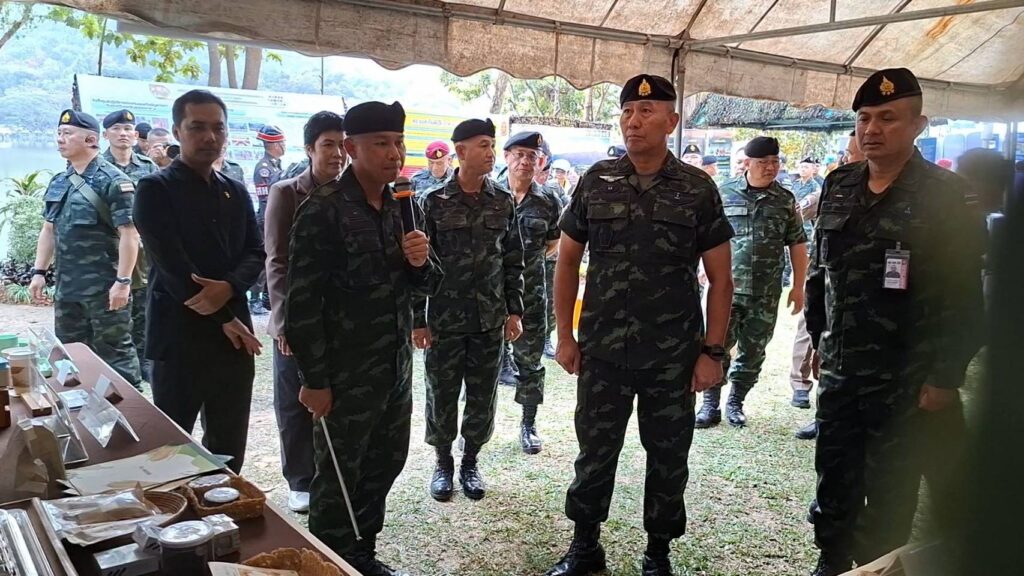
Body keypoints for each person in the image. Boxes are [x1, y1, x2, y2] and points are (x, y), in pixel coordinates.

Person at [545, 74, 734, 576]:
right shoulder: (597, 180)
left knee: (668, 456)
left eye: (647, 111)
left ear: (672, 121)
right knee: (594, 451)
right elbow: (567, 262)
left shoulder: (697, 189)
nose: (634, 120)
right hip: (603, 351)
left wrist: (712, 352)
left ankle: (658, 553)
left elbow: (721, 280)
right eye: (627, 111)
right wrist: (565, 335)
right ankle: (585, 548)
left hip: (672, 356)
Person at [805, 68, 985, 576]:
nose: (872, 129)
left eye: (887, 118)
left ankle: (878, 568)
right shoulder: (839, 184)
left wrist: (944, 376)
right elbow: (821, 274)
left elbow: (965, 296)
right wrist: (819, 339)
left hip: (907, 379)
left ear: (918, 125)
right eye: (864, 118)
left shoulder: (946, 194)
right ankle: (831, 561)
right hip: (842, 370)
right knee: (834, 476)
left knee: (891, 490)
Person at [286, 101, 442, 576]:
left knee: (385, 463)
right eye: (381, 143)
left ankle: (361, 555)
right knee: (337, 476)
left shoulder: (404, 204)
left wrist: (421, 261)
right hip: (344, 374)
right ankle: (328, 564)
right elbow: (303, 302)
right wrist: (315, 380)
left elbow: (429, 283)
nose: (394, 153)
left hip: (393, 369)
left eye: (398, 143)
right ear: (351, 148)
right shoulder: (324, 208)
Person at [133, 90, 265, 474]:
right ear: (177, 131)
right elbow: (173, 267)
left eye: (218, 128)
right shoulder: (155, 189)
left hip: (234, 341)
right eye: (197, 127)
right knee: (170, 452)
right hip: (180, 338)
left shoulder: (234, 190)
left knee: (228, 450)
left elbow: (256, 252)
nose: (209, 137)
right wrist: (225, 316)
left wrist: (229, 288)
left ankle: (228, 508)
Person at [413, 117, 525, 502]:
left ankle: (471, 461)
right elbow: (417, 267)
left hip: (489, 318)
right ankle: (443, 462)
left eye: (492, 145)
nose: (491, 153)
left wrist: (514, 311)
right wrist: (418, 320)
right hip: (445, 319)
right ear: (460, 151)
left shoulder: (503, 200)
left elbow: (513, 260)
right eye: (483, 145)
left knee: (482, 395)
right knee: (441, 392)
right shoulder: (433, 201)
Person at [694, 137, 807, 429]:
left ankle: (736, 402)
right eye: (763, 162)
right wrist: (702, 268)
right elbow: (705, 236)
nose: (770, 168)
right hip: (726, 289)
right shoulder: (724, 192)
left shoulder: (785, 200)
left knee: (753, 351)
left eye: (775, 162)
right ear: (748, 163)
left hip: (766, 292)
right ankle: (710, 404)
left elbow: (797, 243)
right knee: (716, 346)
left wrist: (798, 286)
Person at [265, 111, 346, 514]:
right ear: (309, 148)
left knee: (337, 398)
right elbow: (277, 261)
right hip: (296, 319)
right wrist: (284, 322)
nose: (338, 154)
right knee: (294, 401)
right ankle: (300, 479)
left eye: (343, 145)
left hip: (340, 320)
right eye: (328, 144)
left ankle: (332, 472)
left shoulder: (353, 194)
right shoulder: (286, 193)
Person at [29, 110, 143, 388]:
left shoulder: (114, 181)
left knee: (115, 354)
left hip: (105, 288)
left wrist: (123, 282)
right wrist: (39, 272)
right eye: (59, 133)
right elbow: (49, 230)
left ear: (91, 139)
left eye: (67, 134)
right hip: (68, 288)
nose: (60, 139)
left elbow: (130, 234)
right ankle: (78, 408)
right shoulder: (60, 181)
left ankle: (131, 409)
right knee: (69, 356)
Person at [794, 133, 865, 441]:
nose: (845, 160)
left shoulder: (930, 190)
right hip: (832, 310)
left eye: (851, 155)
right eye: (845, 154)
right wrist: (817, 336)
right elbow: (819, 258)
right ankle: (821, 414)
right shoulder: (836, 185)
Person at [501, 131, 561, 455]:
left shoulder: (548, 200)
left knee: (530, 363)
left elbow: (552, 244)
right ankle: (473, 430)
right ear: (506, 156)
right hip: (490, 296)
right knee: (482, 367)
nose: (525, 161)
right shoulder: (490, 195)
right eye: (519, 154)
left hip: (531, 297)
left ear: (541, 162)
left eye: (532, 156)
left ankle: (528, 424)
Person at [101, 109, 159, 382]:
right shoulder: (97, 167)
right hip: (110, 249)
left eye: (127, 129)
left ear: (136, 135)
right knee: (115, 308)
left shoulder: (147, 167)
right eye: (116, 129)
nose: (122, 134)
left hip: (145, 249)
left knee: (144, 306)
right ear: (106, 135)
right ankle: (118, 361)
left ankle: (144, 359)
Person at [250, 124, 286, 316]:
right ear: (275, 145)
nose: (284, 146)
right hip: (266, 220)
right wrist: (270, 223)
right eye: (282, 143)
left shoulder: (275, 165)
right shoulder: (263, 168)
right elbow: (266, 200)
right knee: (265, 260)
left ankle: (266, 296)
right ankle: (255, 299)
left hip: (272, 219)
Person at [783, 157, 822, 288]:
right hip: (792, 222)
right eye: (801, 167)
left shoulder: (815, 186)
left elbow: (813, 200)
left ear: (812, 169)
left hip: (806, 224)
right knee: (787, 252)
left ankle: (805, 280)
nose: (803, 170)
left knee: (805, 253)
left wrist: (803, 204)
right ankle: (786, 280)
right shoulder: (794, 184)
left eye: (806, 167)